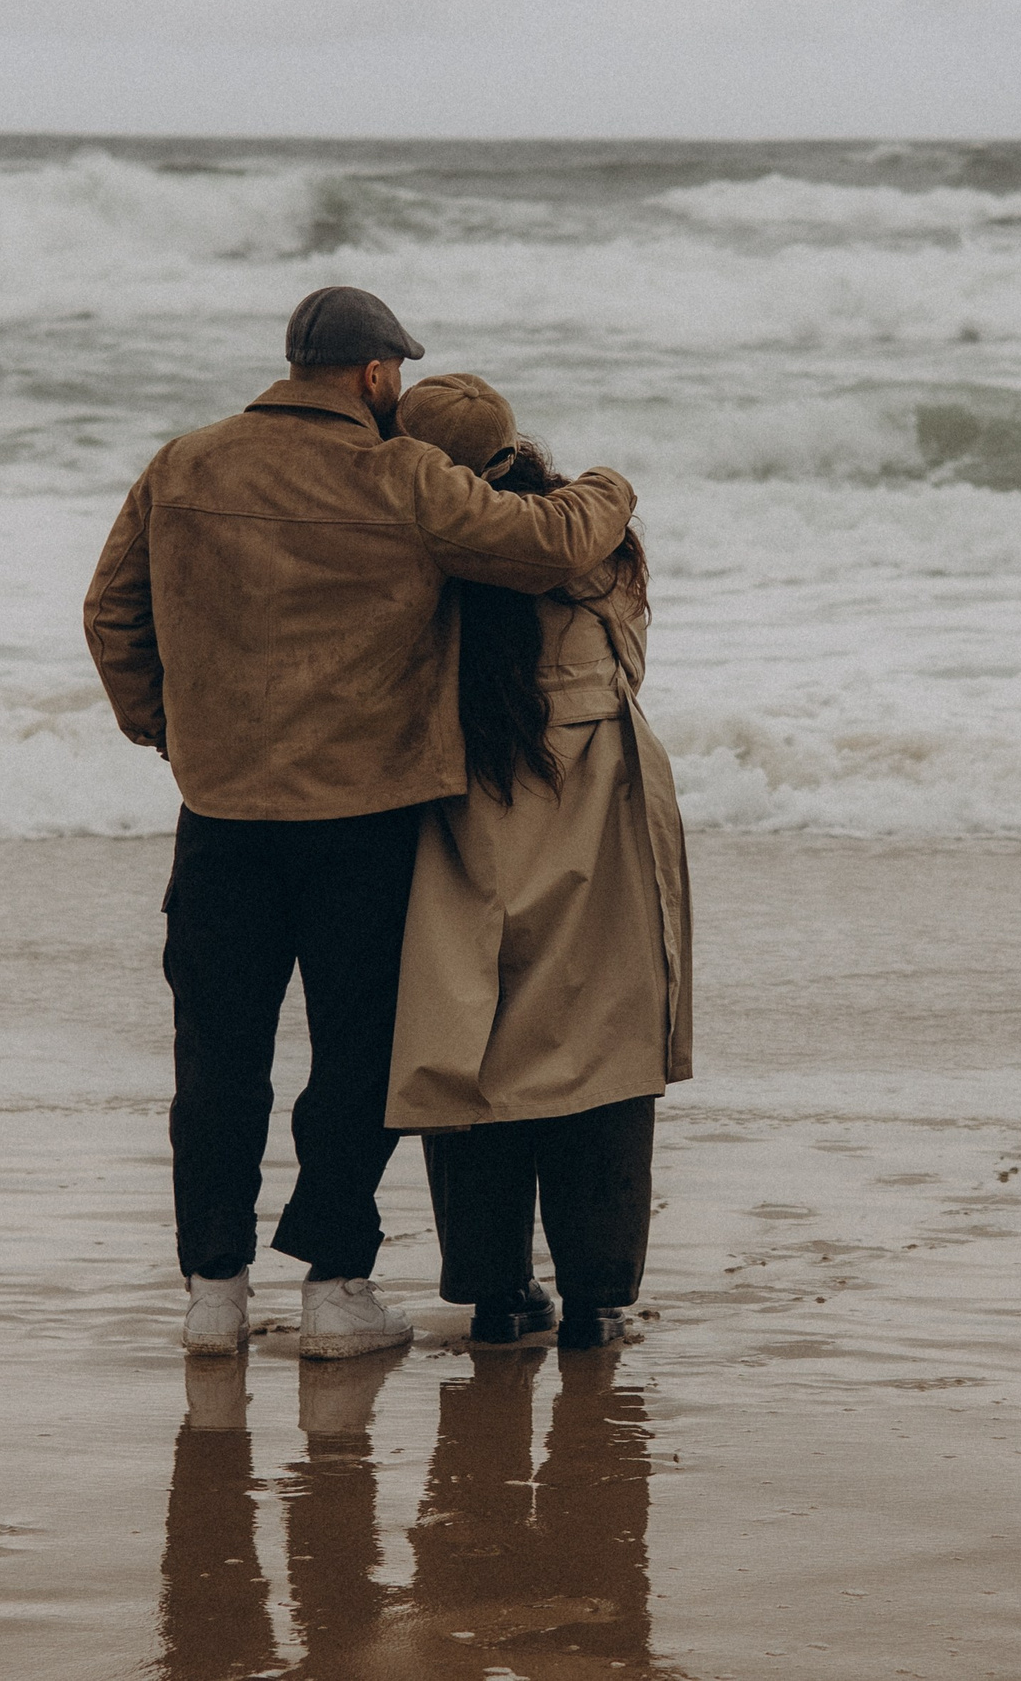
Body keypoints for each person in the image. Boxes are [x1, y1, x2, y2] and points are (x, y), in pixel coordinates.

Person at [83, 289, 638, 1359]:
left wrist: (168, 730)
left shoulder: (184, 463)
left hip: (222, 815)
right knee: (354, 1059)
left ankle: (213, 1292)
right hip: (364, 822)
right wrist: (612, 482)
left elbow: (112, 611)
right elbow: (546, 546)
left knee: (217, 1059)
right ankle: (335, 1291)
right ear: (379, 376)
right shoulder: (399, 473)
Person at [385, 374, 693, 1353]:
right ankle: (598, 1299)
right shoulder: (599, 546)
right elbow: (630, 660)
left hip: (459, 813)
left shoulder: (411, 560)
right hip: (600, 801)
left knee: (470, 1044)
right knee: (604, 1045)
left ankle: (495, 1292)